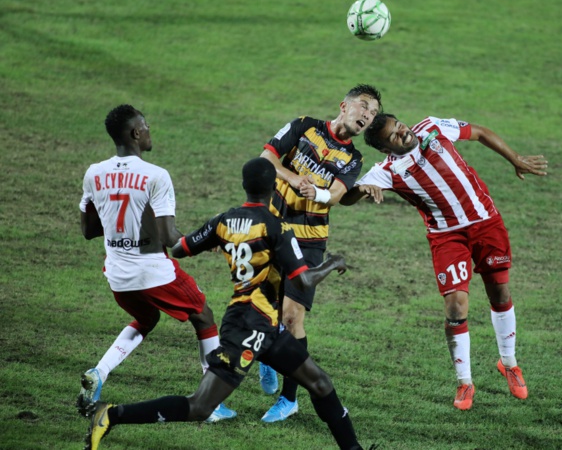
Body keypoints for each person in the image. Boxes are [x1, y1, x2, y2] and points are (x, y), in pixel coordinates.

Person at [84, 157, 366, 450]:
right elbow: (304, 281)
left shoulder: (223, 221)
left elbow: (179, 248)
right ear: (274, 187)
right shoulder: (276, 227)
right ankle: (111, 415)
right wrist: (332, 263)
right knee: (200, 406)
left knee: (320, 383)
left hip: (265, 326)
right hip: (248, 327)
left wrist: (216, 240)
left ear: (244, 185)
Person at [342, 113, 548, 411]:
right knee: (455, 306)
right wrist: (361, 189)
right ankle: (465, 382)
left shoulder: (433, 127)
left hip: (486, 222)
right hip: (447, 238)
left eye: (398, 125)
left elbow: (479, 132)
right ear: (386, 149)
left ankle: (509, 363)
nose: (402, 131)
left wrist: (514, 158)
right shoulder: (386, 170)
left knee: (500, 293)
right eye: (393, 135)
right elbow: (345, 198)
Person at [78, 104, 235, 422]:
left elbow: (89, 230)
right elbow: (169, 238)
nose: (150, 130)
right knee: (203, 315)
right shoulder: (155, 176)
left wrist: (122, 227)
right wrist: (207, 241)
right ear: (135, 133)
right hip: (152, 271)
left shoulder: (94, 173)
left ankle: (100, 372)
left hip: (117, 275)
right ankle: (212, 404)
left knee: (146, 318)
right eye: (146, 125)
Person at [257, 84, 382, 422]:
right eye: (364, 107)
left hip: (310, 240)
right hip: (273, 228)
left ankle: (289, 398)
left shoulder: (354, 158)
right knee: (263, 307)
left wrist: (322, 192)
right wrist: (293, 178)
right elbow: (267, 158)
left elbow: (337, 195)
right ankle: (267, 355)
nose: (367, 116)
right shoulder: (303, 126)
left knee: (291, 317)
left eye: (373, 114)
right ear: (344, 105)